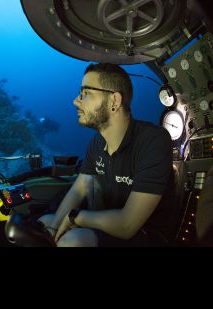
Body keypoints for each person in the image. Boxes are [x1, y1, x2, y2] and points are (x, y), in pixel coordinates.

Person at [39, 63, 174, 247]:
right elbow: (79, 189)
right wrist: (53, 229)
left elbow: (127, 225)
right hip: (108, 223)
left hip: (145, 234)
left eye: (85, 93)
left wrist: (77, 217)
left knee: (73, 241)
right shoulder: (96, 144)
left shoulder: (154, 140)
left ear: (114, 102)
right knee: (45, 221)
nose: (75, 101)